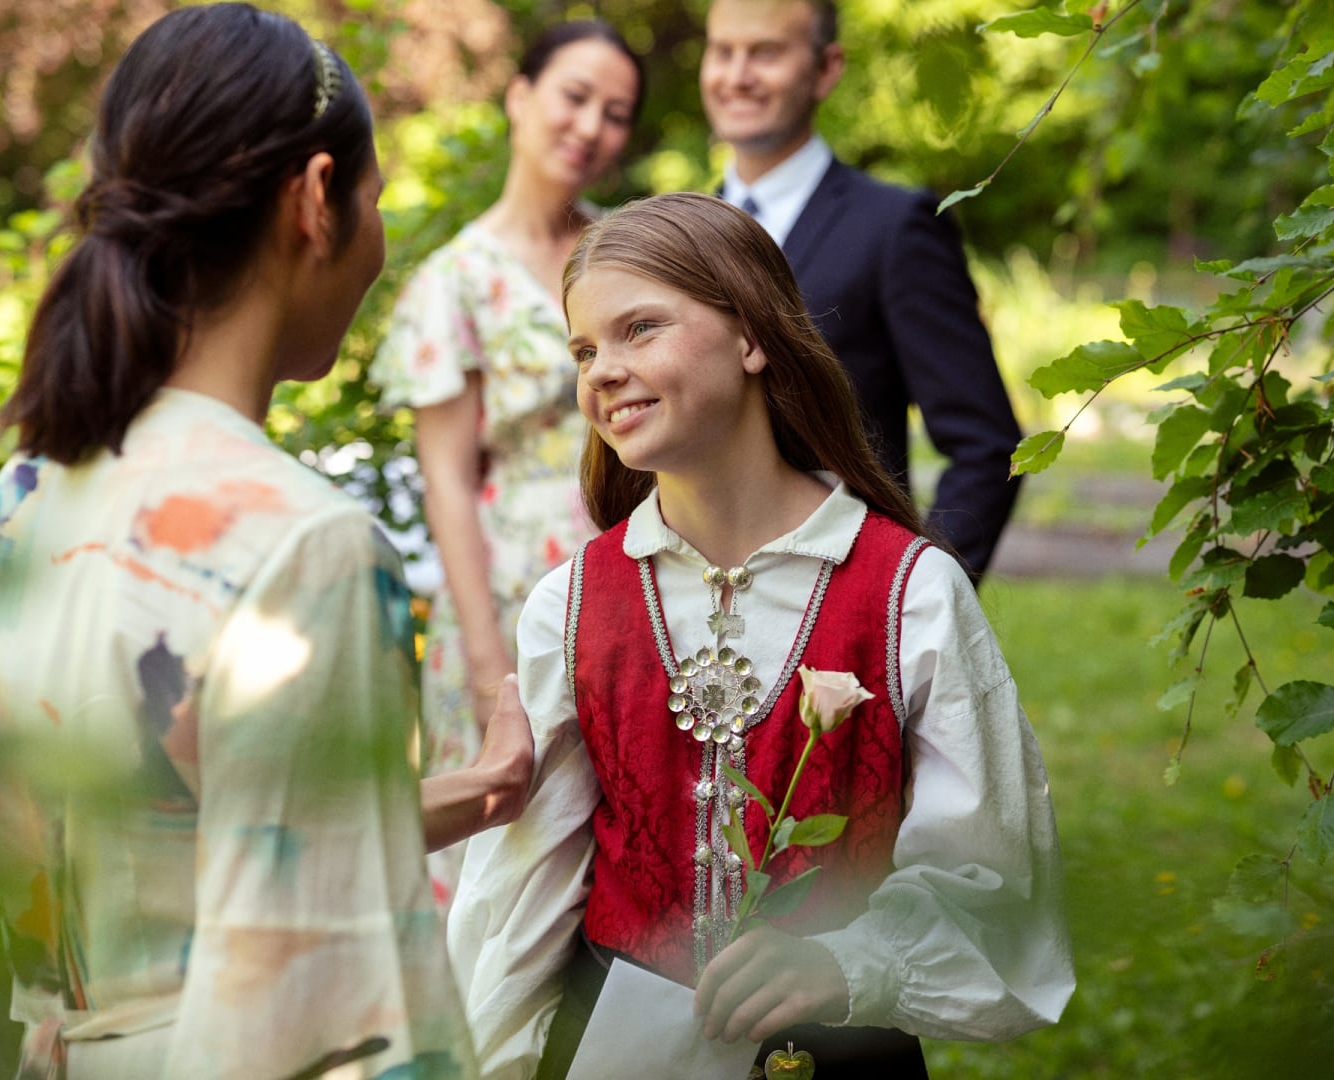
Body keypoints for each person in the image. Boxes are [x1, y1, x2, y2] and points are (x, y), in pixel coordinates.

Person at [0, 5, 532, 1077]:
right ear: (314, 198)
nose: (378, 236)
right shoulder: (305, 543)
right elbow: (329, 1010)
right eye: (374, 198)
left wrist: (483, 790)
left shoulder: (26, 496)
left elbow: (180, 840)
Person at [447, 193, 1074, 1079]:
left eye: (639, 329)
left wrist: (849, 963)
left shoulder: (908, 591)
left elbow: (994, 878)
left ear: (751, 338)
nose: (602, 370)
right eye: (584, 348)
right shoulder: (574, 603)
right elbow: (520, 893)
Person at [370, 20, 643, 910]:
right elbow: (445, 478)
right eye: (574, 96)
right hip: (507, 592)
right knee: (510, 841)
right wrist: (493, 663)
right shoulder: (457, 278)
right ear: (520, 97)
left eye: (616, 113)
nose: (591, 126)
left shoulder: (626, 255)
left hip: (635, 564)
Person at [700, 0, 1023, 582]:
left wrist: (917, 602)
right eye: (722, 51)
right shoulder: (681, 233)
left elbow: (986, 445)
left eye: (765, 52)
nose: (737, 75)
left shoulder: (897, 227)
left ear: (826, 69)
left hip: (842, 600)